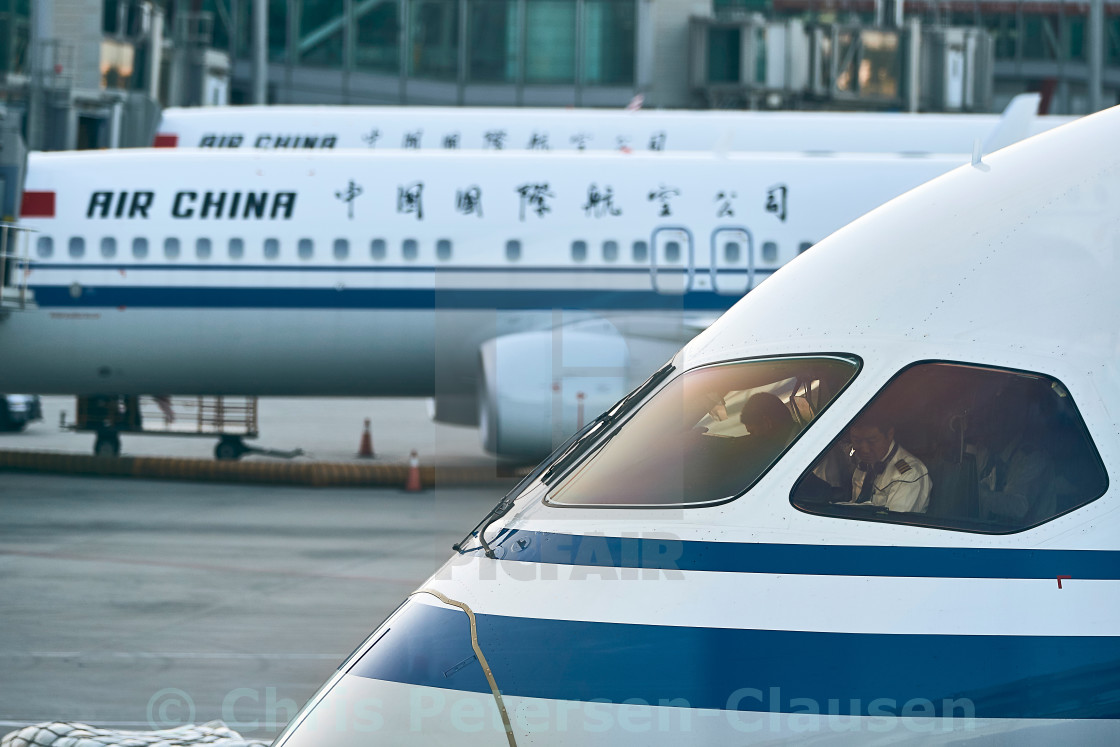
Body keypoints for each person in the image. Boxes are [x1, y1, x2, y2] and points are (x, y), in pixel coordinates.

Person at [847, 415, 931, 513]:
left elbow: (894, 523)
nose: (865, 449)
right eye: (857, 441)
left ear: (890, 434)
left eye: (872, 441)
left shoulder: (909, 474)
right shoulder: (864, 464)